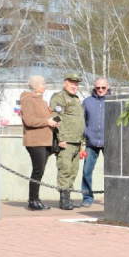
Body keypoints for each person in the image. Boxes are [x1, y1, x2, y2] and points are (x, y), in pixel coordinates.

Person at [19, 75, 59, 211]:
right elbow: (29, 121)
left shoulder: (40, 100)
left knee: (39, 172)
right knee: (37, 171)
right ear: (35, 85)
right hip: (35, 141)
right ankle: (33, 200)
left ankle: (36, 199)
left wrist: (52, 121)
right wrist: (47, 122)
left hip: (44, 140)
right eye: (43, 83)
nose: (45, 85)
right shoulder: (29, 100)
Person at [50, 72, 86, 210]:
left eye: (76, 84)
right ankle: (63, 200)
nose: (74, 86)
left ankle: (68, 199)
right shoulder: (59, 97)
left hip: (77, 141)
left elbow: (79, 121)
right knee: (64, 169)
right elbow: (56, 118)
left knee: (73, 171)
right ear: (65, 82)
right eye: (71, 83)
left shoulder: (76, 99)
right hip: (66, 141)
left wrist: (82, 143)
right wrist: (61, 138)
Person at [81, 77, 108, 207]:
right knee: (87, 171)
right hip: (91, 143)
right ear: (94, 88)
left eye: (103, 87)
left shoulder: (112, 101)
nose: (100, 90)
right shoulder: (87, 101)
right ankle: (87, 198)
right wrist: (86, 134)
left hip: (109, 143)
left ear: (108, 87)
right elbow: (82, 121)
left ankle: (112, 197)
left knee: (110, 172)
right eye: (98, 88)